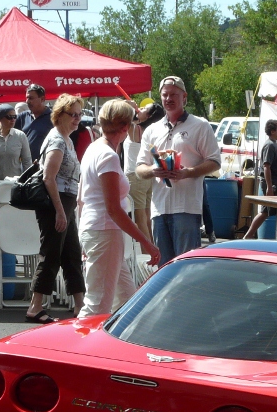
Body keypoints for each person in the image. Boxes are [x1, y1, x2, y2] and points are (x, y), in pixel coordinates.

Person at [77, 100, 160, 318]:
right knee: (97, 306)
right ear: (125, 127)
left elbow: (81, 199)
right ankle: (76, 341)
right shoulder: (108, 155)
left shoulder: (94, 149)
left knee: (126, 302)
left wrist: (82, 235)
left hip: (97, 230)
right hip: (104, 231)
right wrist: (145, 241)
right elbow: (113, 209)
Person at [135, 76, 221, 264]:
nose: (168, 99)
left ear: (184, 97)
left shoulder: (200, 125)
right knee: (164, 267)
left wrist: (187, 172)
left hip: (187, 208)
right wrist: (154, 170)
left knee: (186, 267)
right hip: (159, 208)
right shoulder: (152, 130)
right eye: (165, 95)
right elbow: (139, 169)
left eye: (173, 94)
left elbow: (215, 161)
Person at [25, 94, 86, 323]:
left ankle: (80, 304)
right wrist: (60, 211)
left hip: (64, 201)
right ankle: (35, 306)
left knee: (72, 253)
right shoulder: (58, 140)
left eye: (79, 114)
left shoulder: (66, 139)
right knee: (51, 253)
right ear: (60, 115)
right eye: (73, 114)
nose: (77, 119)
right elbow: (48, 178)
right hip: (55, 202)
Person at [124, 102, 163, 243]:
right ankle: (153, 249)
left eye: (144, 109)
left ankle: (147, 252)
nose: (140, 109)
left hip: (135, 176)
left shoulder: (136, 130)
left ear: (148, 116)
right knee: (147, 218)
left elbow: (121, 117)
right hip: (148, 177)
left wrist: (128, 105)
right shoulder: (153, 132)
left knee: (140, 219)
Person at [244, 120, 277, 239]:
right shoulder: (269, 146)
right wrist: (269, 186)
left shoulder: (275, 145)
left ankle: (248, 236)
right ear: (273, 131)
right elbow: (266, 167)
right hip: (272, 184)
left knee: (267, 212)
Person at [0, 103, 31, 180]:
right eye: (9, 117)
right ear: (0, 118)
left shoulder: (20, 136)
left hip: (13, 183)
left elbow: (27, 162)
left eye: (15, 117)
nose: (13, 120)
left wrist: (27, 181)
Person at [14, 84, 54, 161]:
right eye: (27, 98)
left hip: (44, 164)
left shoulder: (53, 117)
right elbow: (8, 130)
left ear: (42, 99)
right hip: (25, 164)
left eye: (31, 98)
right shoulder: (23, 116)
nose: (27, 101)